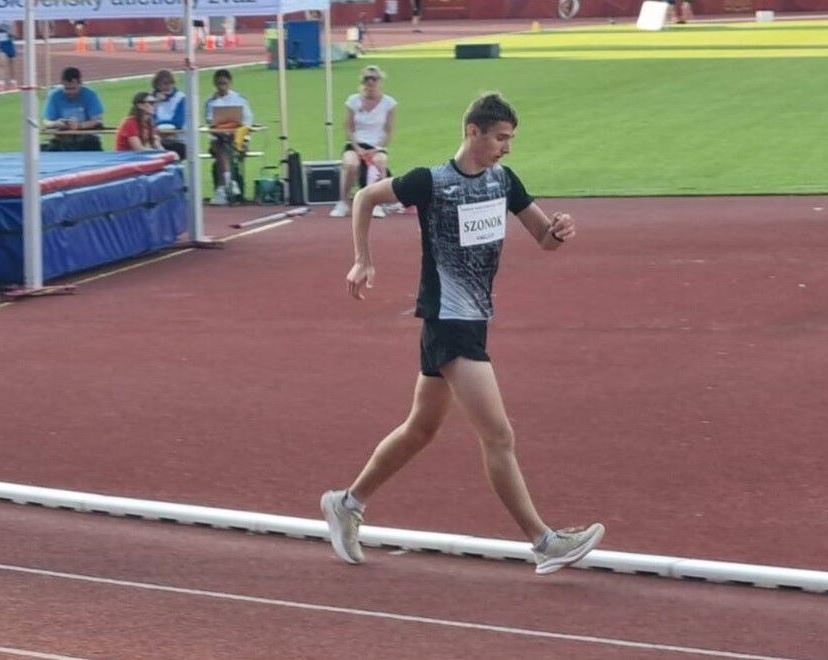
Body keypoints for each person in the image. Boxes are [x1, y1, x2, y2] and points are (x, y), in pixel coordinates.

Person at [322, 92, 605, 575]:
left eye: (510, 139)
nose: (507, 147)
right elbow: (365, 197)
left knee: (420, 429)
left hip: (474, 320)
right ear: (473, 132)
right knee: (498, 434)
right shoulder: (431, 182)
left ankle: (346, 504)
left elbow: (543, 238)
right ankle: (544, 542)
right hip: (448, 322)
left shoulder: (503, 181)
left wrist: (558, 231)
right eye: (500, 138)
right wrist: (363, 259)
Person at [330, 66, 397, 219]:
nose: (370, 82)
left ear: (380, 81)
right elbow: (348, 127)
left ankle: (377, 204)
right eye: (367, 79)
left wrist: (376, 149)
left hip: (376, 146)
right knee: (350, 163)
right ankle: (343, 202)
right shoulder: (353, 101)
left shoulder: (389, 103)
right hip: (356, 144)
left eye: (374, 79)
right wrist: (357, 147)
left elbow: (388, 131)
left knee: (380, 161)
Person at [204, 68, 254, 205]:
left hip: (237, 138)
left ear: (230, 83)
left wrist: (242, 137)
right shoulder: (210, 101)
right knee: (221, 144)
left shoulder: (240, 99)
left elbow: (248, 121)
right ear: (215, 84)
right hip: (218, 137)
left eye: (224, 83)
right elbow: (210, 122)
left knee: (225, 146)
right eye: (219, 84)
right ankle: (230, 183)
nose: (221, 87)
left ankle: (223, 187)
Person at [42, 66, 105, 151]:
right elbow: (46, 121)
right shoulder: (54, 96)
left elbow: (97, 120)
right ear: (62, 84)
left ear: (80, 84)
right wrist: (55, 123)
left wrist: (79, 125)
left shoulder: (90, 95)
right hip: (62, 140)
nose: (70, 92)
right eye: (67, 89)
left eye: (73, 88)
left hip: (87, 140)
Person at [151, 69, 187, 160]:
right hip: (157, 139)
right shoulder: (151, 99)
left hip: (178, 140)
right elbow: (149, 119)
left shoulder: (180, 97)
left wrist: (161, 127)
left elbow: (178, 122)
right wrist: (156, 102)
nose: (168, 86)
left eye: (170, 83)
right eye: (165, 83)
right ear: (157, 85)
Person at [0, 21, 18, 92]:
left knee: (12, 64)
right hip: (1, 44)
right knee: (1, 63)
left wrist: (10, 33)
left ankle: (13, 82)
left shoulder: (12, 21)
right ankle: (1, 83)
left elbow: (15, 34)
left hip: (10, 43)